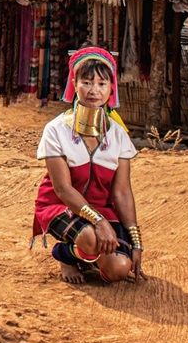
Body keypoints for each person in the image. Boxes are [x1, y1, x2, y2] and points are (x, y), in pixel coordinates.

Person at [33, 46, 145, 285]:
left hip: (103, 209)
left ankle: (85, 254)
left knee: (119, 269)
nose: (94, 90)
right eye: (87, 82)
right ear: (74, 83)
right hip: (59, 206)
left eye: (102, 84)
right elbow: (62, 189)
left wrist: (135, 241)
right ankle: (65, 254)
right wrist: (100, 223)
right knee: (90, 238)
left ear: (111, 88)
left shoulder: (118, 135)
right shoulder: (56, 130)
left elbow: (122, 192)